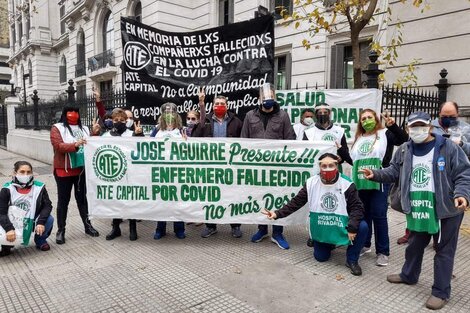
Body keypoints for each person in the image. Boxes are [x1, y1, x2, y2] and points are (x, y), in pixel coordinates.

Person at [360, 111, 470, 310]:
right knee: (414, 244)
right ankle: (409, 275)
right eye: (413, 126)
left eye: (421, 126)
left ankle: (440, 291)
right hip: (418, 205)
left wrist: (462, 194)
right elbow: (393, 171)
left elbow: (463, 172)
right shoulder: (404, 149)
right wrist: (375, 174)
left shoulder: (448, 147)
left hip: (446, 208)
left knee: (444, 250)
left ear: (430, 127)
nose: (417, 130)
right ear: (407, 129)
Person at [262, 153, 367, 275]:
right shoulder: (311, 183)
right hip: (322, 227)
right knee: (321, 257)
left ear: (337, 166)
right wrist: (277, 214)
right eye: (324, 166)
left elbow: (357, 207)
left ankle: (352, 259)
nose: (327, 169)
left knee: (362, 227)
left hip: (341, 223)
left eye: (331, 165)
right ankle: (328, 242)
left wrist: (352, 227)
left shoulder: (347, 184)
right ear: (319, 167)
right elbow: (296, 202)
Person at [397, 101, 470, 245]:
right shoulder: (432, 128)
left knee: (443, 242)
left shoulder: (465, 128)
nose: (448, 118)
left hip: (452, 179)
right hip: (430, 180)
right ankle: (415, 235)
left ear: (458, 115)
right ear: (439, 115)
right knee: (419, 233)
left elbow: (464, 170)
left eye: (452, 116)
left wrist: (461, 145)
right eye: (445, 115)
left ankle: (439, 240)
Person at [241, 83, 296, 249]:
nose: (267, 99)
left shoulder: (283, 116)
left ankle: (278, 232)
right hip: (257, 168)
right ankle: (262, 228)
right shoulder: (250, 115)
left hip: (277, 168)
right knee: (260, 197)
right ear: (260, 98)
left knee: (279, 198)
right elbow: (243, 140)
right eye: (264, 97)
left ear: (275, 97)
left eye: (270, 96)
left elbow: (291, 141)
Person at [350, 109, 408, 266]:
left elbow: (404, 139)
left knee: (378, 214)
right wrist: (341, 150)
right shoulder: (358, 138)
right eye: (363, 119)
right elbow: (353, 160)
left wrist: (393, 126)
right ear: (360, 122)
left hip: (380, 179)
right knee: (364, 214)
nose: (366, 120)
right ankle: (365, 244)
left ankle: (383, 251)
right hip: (361, 181)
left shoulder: (385, 134)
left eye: (369, 117)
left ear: (375, 119)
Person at [192, 92, 243, 238]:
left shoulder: (236, 122)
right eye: (217, 104)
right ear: (212, 106)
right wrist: (201, 105)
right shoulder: (206, 121)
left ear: (227, 106)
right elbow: (195, 138)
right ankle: (211, 225)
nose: (219, 106)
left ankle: (235, 225)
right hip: (211, 167)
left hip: (231, 167)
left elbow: (245, 142)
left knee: (233, 196)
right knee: (212, 196)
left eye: (222, 104)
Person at [50, 105, 99, 244]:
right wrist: (75, 145)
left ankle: (88, 226)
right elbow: (58, 146)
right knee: (63, 201)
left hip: (81, 170)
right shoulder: (57, 128)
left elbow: (90, 144)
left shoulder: (84, 128)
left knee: (82, 200)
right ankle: (61, 230)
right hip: (64, 171)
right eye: (70, 111)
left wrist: (94, 133)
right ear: (65, 114)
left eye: (76, 111)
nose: (73, 114)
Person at [0, 161, 54, 256]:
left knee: (49, 219)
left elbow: (47, 205)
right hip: (13, 220)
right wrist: (8, 229)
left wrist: (41, 222)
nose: (26, 175)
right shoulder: (7, 189)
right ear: (15, 173)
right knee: (4, 236)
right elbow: (1, 212)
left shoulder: (39, 187)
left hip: (31, 219)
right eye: (22, 172)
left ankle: (40, 240)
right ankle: (6, 245)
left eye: (28, 172)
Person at [105, 108, 143, 241]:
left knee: (130, 199)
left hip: (129, 173)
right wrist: (94, 134)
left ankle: (133, 228)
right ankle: (116, 228)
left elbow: (142, 147)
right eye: (116, 120)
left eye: (122, 120)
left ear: (126, 121)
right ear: (112, 121)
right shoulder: (107, 135)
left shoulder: (132, 133)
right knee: (115, 200)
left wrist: (139, 135)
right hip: (114, 173)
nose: (119, 122)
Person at [151, 102, 186, 239]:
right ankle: (160, 229)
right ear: (162, 114)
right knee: (161, 201)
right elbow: (148, 147)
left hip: (178, 172)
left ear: (176, 114)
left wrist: (187, 142)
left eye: (172, 112)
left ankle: (179, 229)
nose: (169, 115)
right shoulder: (157, 130)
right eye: (166, 112)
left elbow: (190, 149)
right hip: (161, 172)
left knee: (178, 200)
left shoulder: (182, 130)